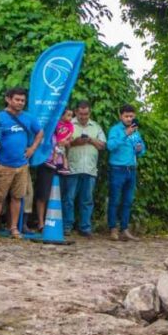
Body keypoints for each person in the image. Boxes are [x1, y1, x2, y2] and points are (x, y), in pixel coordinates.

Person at [0, 88, 42, 238]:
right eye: (17, 99)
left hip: (22, 165)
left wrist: (32, 149)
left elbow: (40, 132)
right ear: (8, 99)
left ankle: (13, 228)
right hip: (3, 164)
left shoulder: (29, 118)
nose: (20, 103)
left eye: (22, 100)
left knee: (17, 197)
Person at [63, 101, 105, 237]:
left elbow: (103, 145)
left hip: (90, 169)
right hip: (72, 168)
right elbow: (62, 143)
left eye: (86, 114)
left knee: (87, 200)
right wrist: (75, 142)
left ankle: (85, 227)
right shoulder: (69, 125)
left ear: (89, 113)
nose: (83, 117)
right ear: (76, 112)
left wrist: (91, 140)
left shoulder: (96, 127)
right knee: (69, 199)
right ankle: (67, 226)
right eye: (80, 114)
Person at [106, 104, 146, 241]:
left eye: (131, 116)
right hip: (118, 170)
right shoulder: (115, 130)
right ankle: (113, 229)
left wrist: (140, 149)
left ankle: (124, 229)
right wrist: (124, 134)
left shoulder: (136, 132)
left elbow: (142, 150)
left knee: (128, 201)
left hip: (131, 170)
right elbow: (110, 146)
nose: (129, 119)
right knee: (115, 200)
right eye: (126, 116)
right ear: (120, 116)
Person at [46, 108, 74, 174]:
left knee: (60, 153)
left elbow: (71, 132)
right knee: (61, 153)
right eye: (68, 115)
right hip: (59, 142)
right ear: (62, 116)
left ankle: (55, 163)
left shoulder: (70, 125)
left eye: (71, 116)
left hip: (62, 143)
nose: (71, 118)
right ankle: (64, 167)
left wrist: (66, 139)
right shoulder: (57, 123)